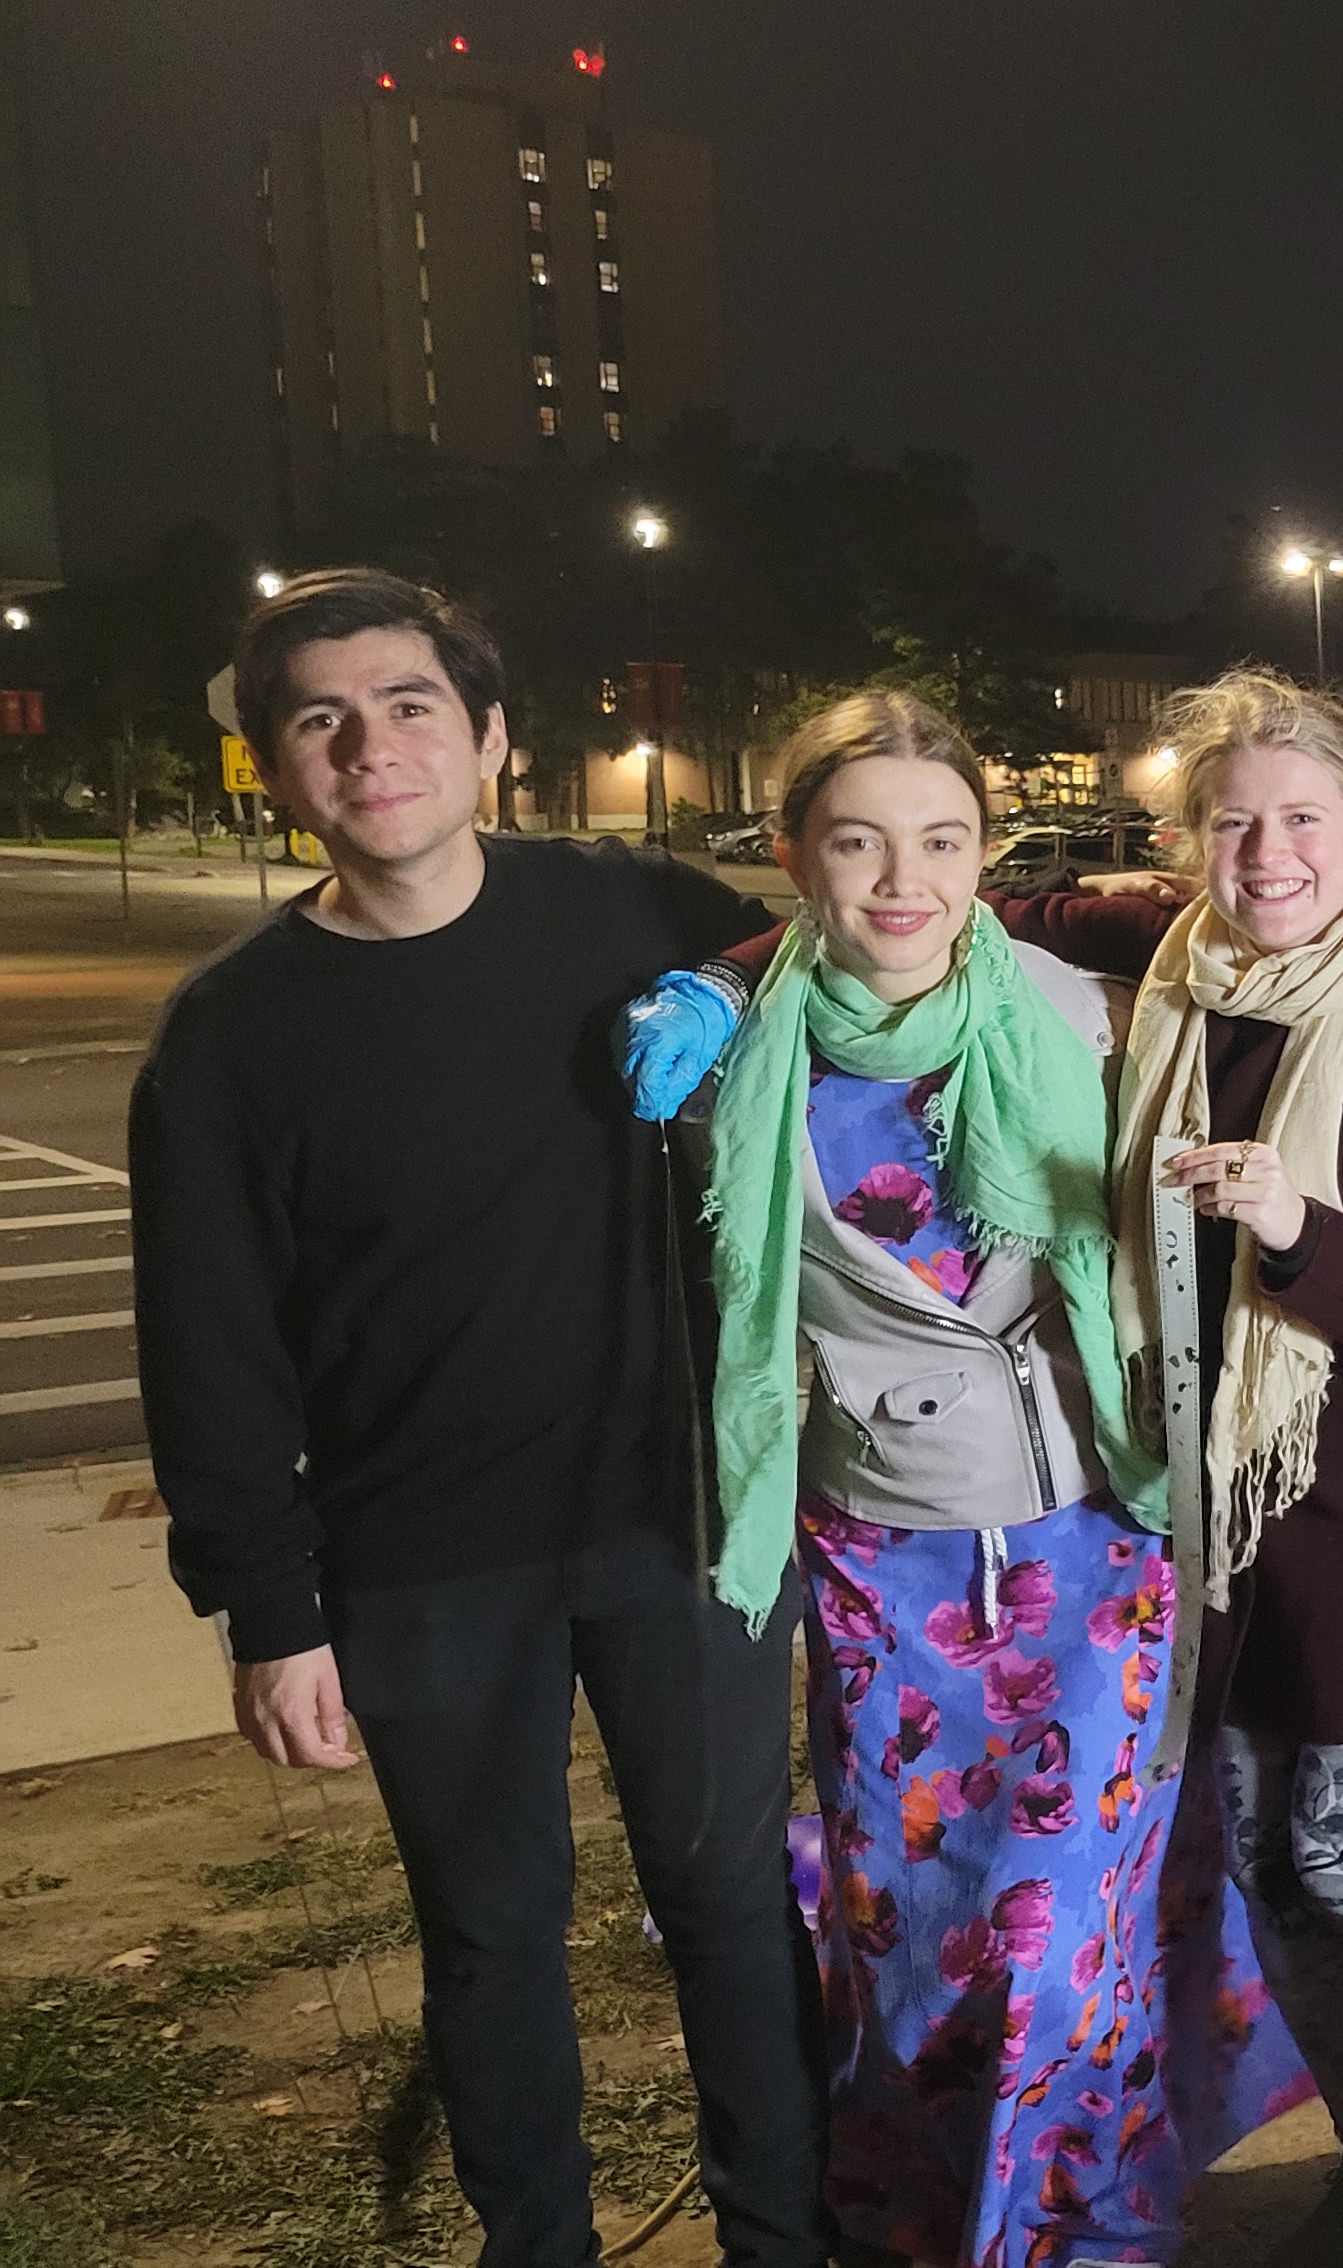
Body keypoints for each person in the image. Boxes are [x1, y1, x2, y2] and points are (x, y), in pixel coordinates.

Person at [131, 570, 823, 2267]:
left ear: (493, 738)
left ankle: (794, 2233)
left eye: (411, 703)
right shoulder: (230, 1040)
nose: (373, 747)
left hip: (677, 1516)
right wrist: (268, 1612)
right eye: (322, 719)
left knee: (735, 1905)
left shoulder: (635, 917)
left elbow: (857, 947)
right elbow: (209, 1352)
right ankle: (540, 2243)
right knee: (494, 1935)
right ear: (281, 770)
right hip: (421, 1566)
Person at [691, 691, 1313, 2263]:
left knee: (1065, 1936)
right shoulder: (732, 1054)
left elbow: (1284, 934)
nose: (903, 880)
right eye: (858, 841)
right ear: (791, 857)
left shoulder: (1083, 1014)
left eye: (944, 840)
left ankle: (1080, 2225)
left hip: (1092, 1545)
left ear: (987, 854)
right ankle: (918, 2213)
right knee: (914, 1935)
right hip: (874, 1559)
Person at [1002, 667, 1343, 2268]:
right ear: (1186, 846)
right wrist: (717, 973)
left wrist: (1298, 1232)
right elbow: (942, 907)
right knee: (1254, 1850)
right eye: (1232, 824)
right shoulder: (1174, 985)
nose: (1268, 856)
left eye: (1303, 819)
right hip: (1225, 1523)